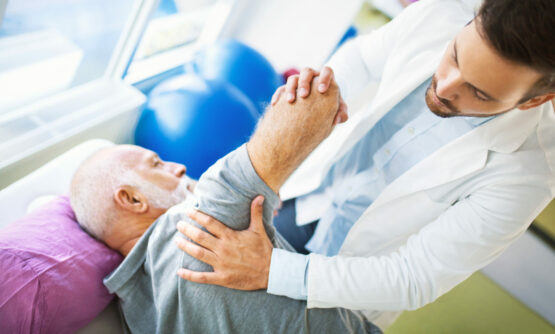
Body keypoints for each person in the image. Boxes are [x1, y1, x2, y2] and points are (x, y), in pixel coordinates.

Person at [174, 0, 555, 329]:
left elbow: (415, 275)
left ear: (535, 101)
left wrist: (272, 270)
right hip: (304, 199)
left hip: (352, 281)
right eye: (454, 55)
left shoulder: (529, 173)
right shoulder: (439, 14)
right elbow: (363, 59)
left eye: (479, 93)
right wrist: (328, 91)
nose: (444, 86)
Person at [69, 79, 379, 333]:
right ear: (132, 200)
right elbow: (316, 101)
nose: (177, 167)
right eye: (157, 163)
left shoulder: (137, 313)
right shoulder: (193, 225)